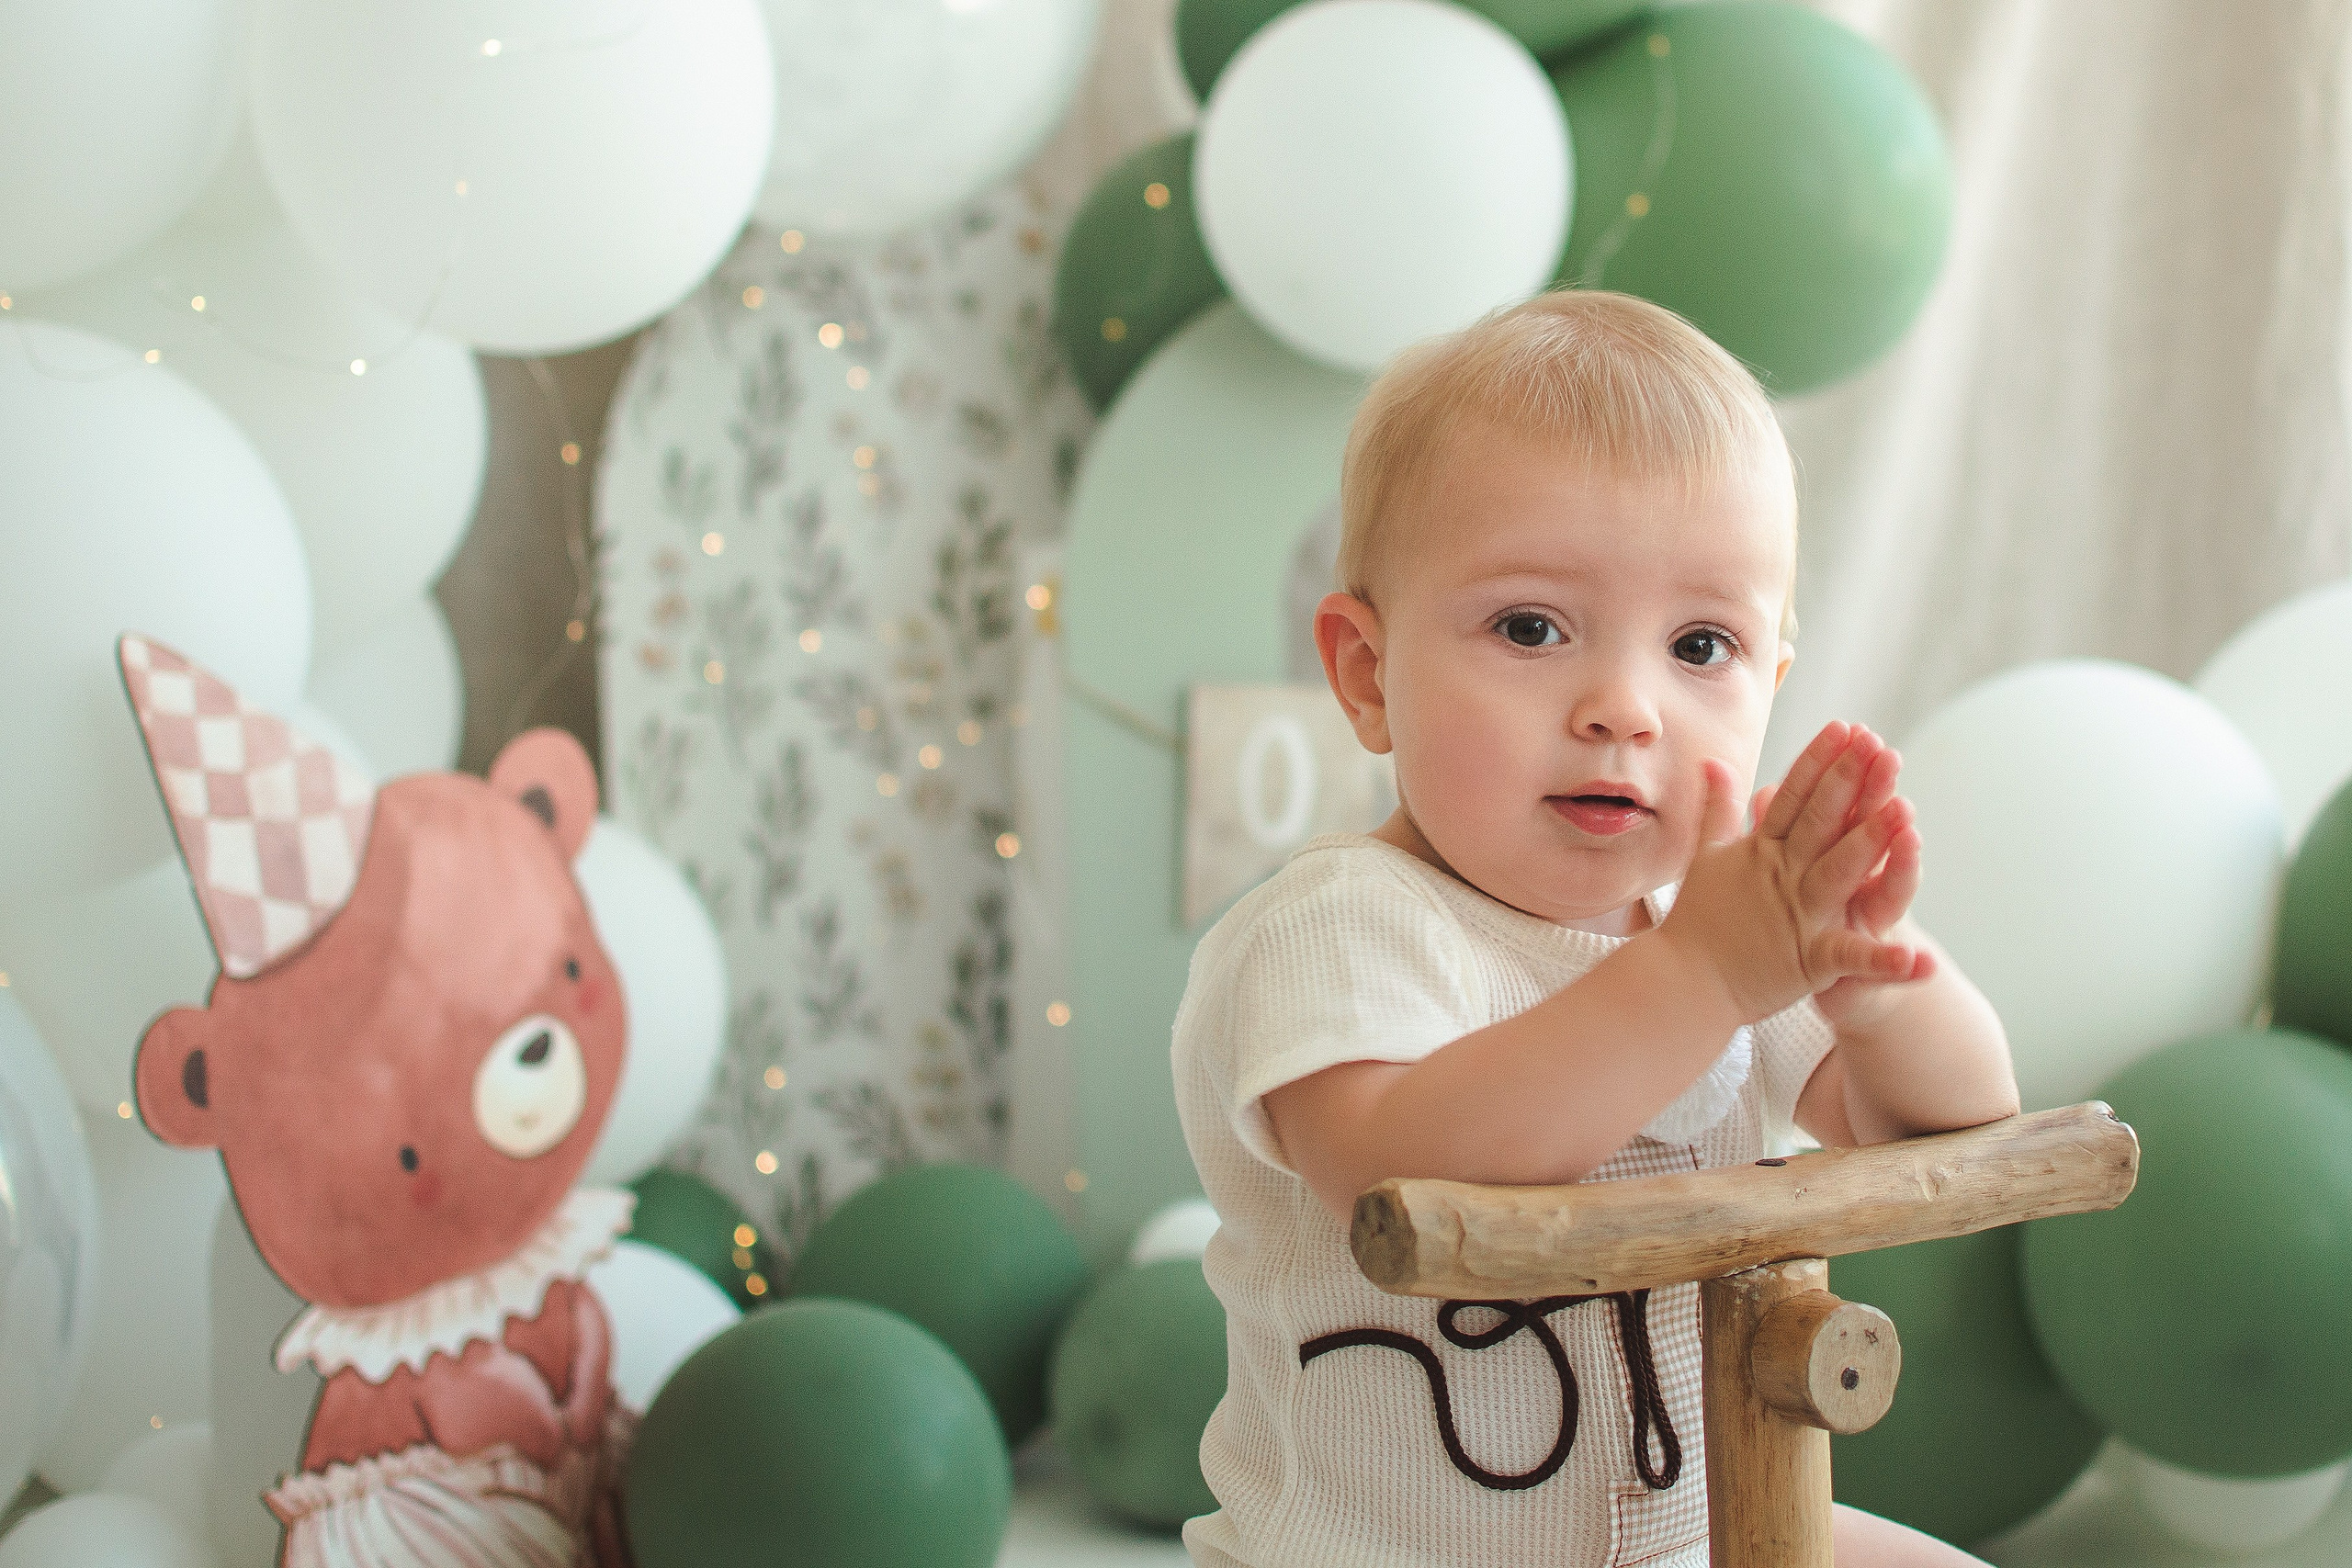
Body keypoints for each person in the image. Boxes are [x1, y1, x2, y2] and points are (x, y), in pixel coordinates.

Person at [1170, 289, 2020, 1568]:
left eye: (1701, 646)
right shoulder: (1341, 927)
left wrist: (1877, 993)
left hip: (1698, 1532)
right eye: (1531, 628)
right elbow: (1393, 1175)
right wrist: (1701, 977)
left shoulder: (1715, 923)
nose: (1625, 706)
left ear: (1771, 687)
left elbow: (1947, 1125)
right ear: (1366, 673)